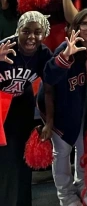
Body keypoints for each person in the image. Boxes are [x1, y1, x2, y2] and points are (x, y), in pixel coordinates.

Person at [38, 9, 87, 206]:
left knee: (84, 150)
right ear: (76, 27)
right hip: (63, 110)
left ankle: (83, 187)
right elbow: (48, 80)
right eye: (85, 24)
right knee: (62, 153)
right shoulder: (67, 47)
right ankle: (65, 196)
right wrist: (65, 56)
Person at [0, 12, 52, 206]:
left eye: (38, 32)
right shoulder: (5, 47)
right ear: (18, 31)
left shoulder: (44, 53)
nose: (32, 37)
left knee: (22, 157)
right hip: (0, 106)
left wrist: (49, 122)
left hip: (22, 104)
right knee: (6, 160)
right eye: (26, 31)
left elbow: (49, 90)